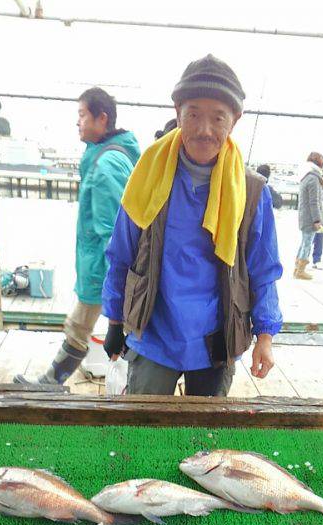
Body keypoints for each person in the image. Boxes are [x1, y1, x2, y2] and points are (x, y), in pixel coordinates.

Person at [102, 54, 283, 397]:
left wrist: (265, 336)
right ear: (177, 112)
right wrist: (113, 321)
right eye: (194, 114)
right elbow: (120, 255)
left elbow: (264, 270)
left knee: (207, 441)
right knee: (146, 432)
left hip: (216, 341)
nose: (204, 129)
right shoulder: (146, 177)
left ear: (235, 121)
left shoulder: (253, 191)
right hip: (153, 334)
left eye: (218, 118)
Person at [14, 88, 140, 385]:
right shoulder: (112, 157)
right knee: (84, 326)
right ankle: (52, 382)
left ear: (102, 118)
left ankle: (50, 384)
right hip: (99, 267)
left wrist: (117, 299)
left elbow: (115, 236)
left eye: (82, 115)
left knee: (78, 325)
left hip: (101, 269)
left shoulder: (106, 165)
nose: (78, 123)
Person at [294, 152, 323, 281]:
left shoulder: (306, 176)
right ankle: (300, 271)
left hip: (304, 215)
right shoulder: (314, 178)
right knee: (307, 243)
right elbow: (314, 201)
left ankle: (297, 268)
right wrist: (317, 220)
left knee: (304, 243)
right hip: (310, 218)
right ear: (319, 162)